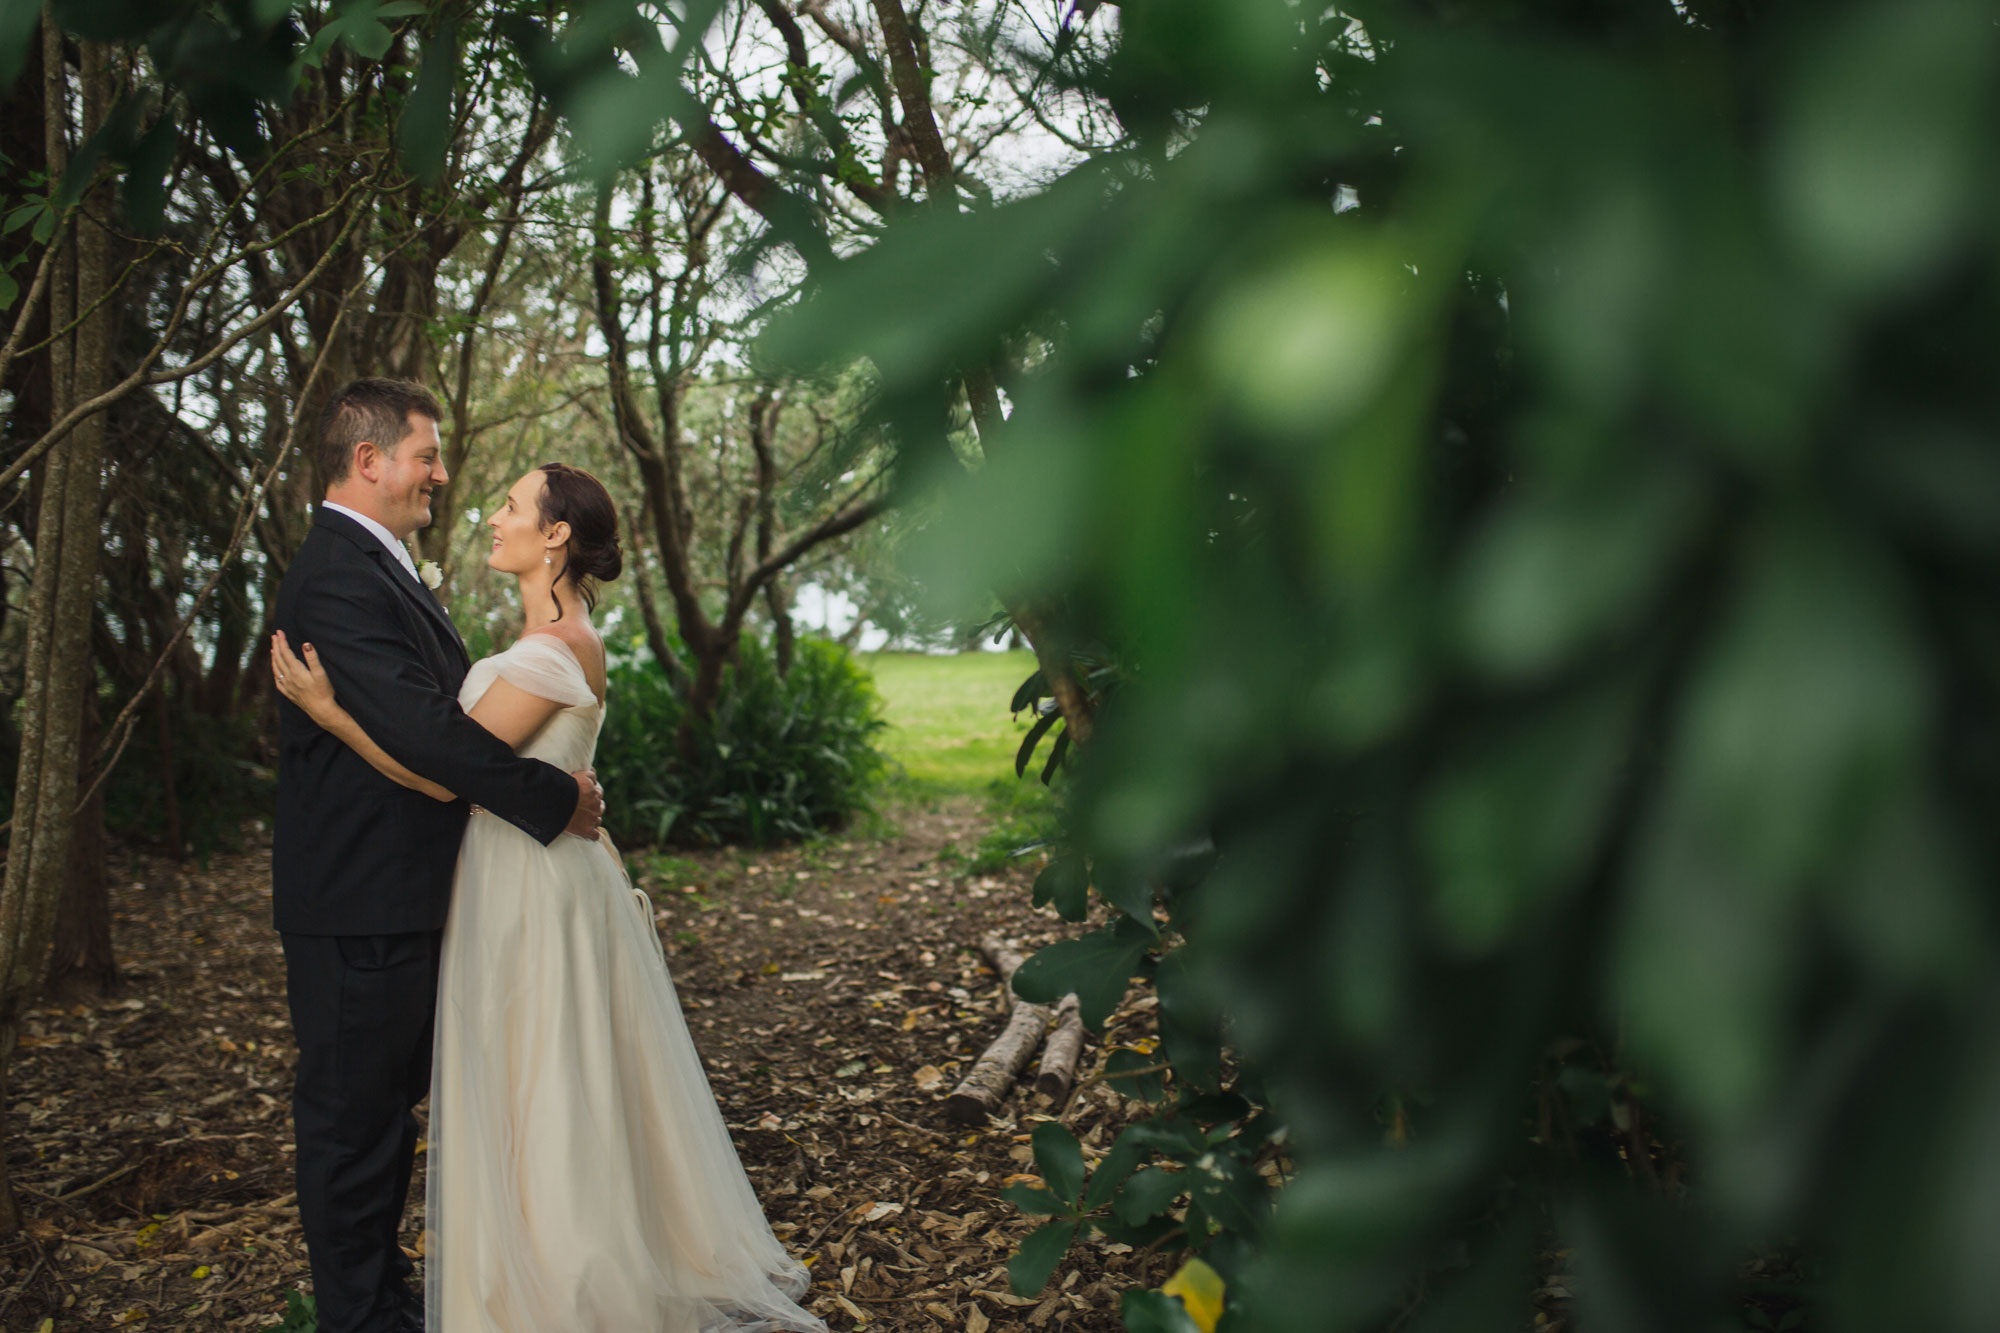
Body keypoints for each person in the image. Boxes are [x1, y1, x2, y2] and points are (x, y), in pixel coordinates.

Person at [271, 461, 825, 1333]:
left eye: (511, 505)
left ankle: (565, 1285)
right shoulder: (542, 642)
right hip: (513, 875)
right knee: (530, 1077)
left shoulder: (552, 651)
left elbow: (439, 773)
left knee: (545, 1081)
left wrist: (328, 711)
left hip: (532, 889)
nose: (491, 516)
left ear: (556, 534)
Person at [271, 380, 607, 1333]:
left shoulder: (379, 565)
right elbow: (431, 735)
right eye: (427, 453)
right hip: (357, 898)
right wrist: (558, 798)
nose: (442, 474)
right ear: (369, 460)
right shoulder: (339, 572)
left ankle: (384, 1298)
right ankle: (361, 1317)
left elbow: (433, 725)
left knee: (382, 1120)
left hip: (404, 891)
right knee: (351, 1126)